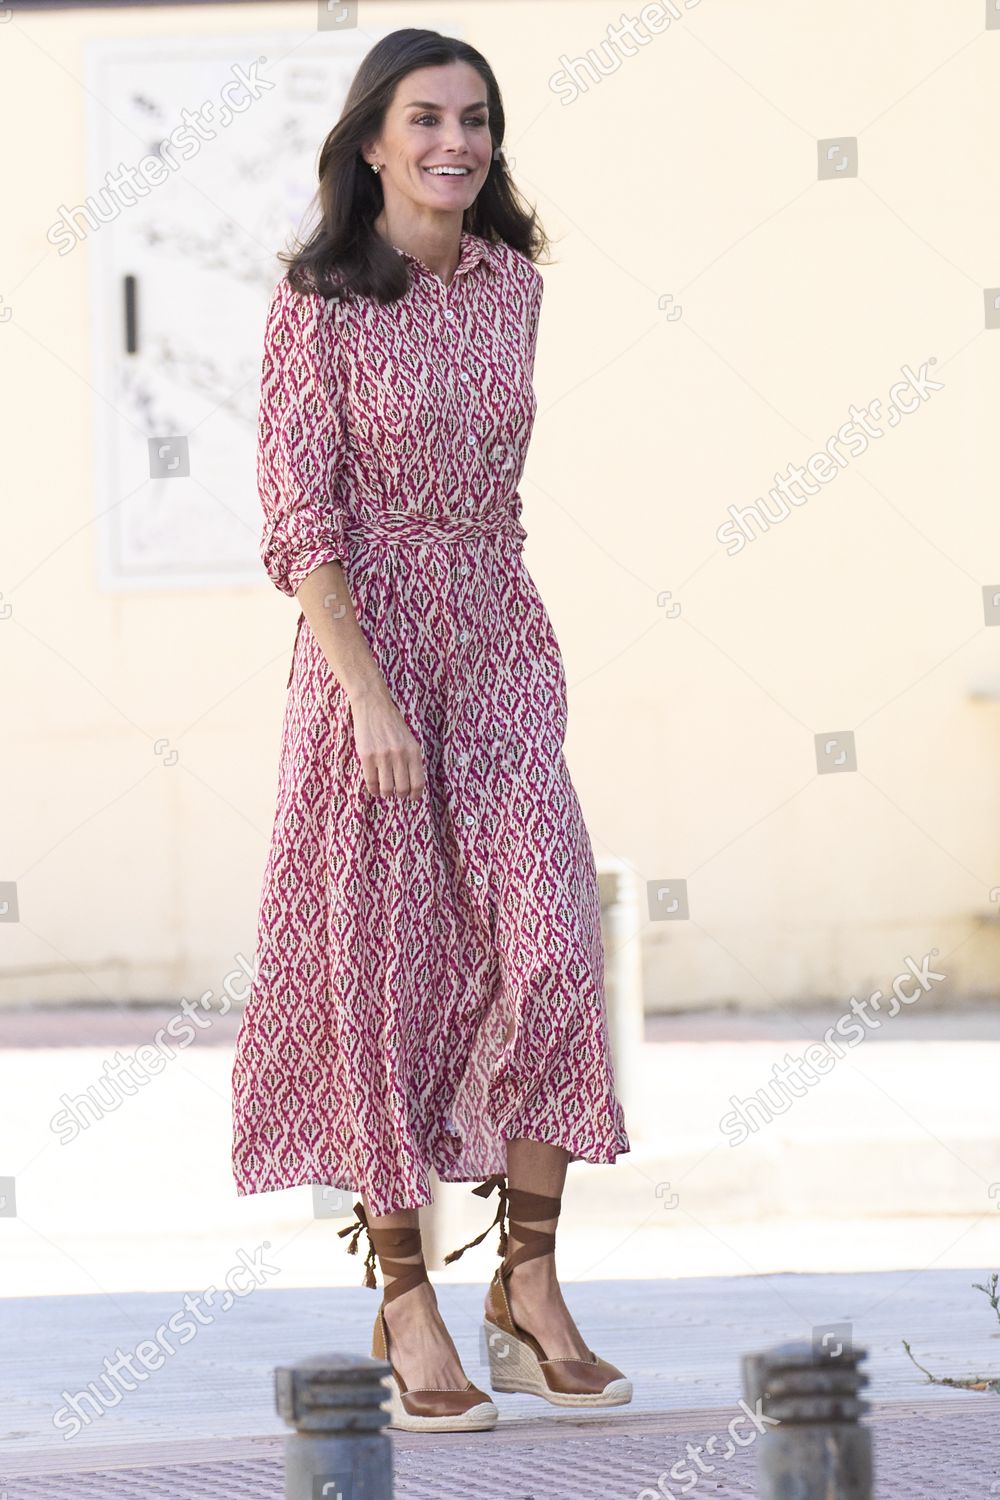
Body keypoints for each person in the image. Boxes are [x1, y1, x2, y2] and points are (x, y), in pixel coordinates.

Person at [231, 26, 631, 1432]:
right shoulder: (318, 300)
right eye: (427, 118)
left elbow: (497, 490)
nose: (456, 141)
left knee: (558, 947)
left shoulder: (514, 287)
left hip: (502, 637)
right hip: (367, 658)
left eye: (477, 119)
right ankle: (406, 1297)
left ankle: (528, 1285)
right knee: (379, 975)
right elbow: (302, 527)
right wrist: (370, 697)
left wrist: (489, 652)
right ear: (373, 140)